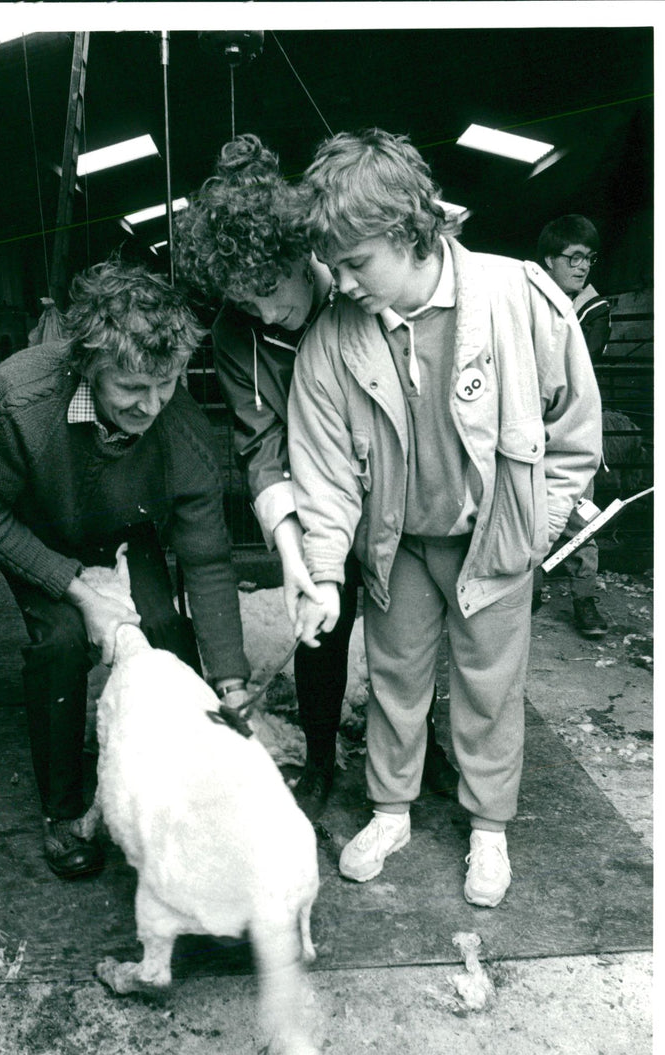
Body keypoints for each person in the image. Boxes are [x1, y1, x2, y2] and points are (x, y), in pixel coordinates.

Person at [287, 129, 602, 906]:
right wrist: (325, 574)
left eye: (356, 262)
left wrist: (537, 529)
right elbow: (324, 471)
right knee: (395, 680)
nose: (342, 281)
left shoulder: (518, 297)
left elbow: (573, 430)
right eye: (334, 264)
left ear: (407, 229)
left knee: (490, 685)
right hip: (400, 544)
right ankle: (390, 811)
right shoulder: (334, 337)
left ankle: (488, 827)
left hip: (492, 540)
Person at [173, 134, 458, 821]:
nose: (266, 313)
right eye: (246, 304)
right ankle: (324, 758)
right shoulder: (235, 336)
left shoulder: (364, 288)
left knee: (418, 625)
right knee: (322, 629)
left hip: (396, 492)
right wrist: (298, 557)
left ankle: (433, 748)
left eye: (270, 290)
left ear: (306, 256)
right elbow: (260, 443)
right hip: (315, 503)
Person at [0, 257, 251, 879]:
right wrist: (75, 589)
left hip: (123, 526)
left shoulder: (178, 425)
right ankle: (64, 812)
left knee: (166, 632)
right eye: (132, 389)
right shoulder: (19, 399)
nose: (152, 406)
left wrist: (230, 680)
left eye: (166, 384)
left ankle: (178, 782)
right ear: (90, 365)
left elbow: (206, 557)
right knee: (62, 641)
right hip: (36, 526)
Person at [534, 215, 611, 637]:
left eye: (589, 258)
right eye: (574, 257)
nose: (582, 266)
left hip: (574, 432)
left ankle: (584, 599)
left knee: (582, 517)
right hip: (531, 430)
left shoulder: (593, 310)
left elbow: (577, 371)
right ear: (550, 259)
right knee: (528, 511)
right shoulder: (530, 302)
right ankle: (529, 590)